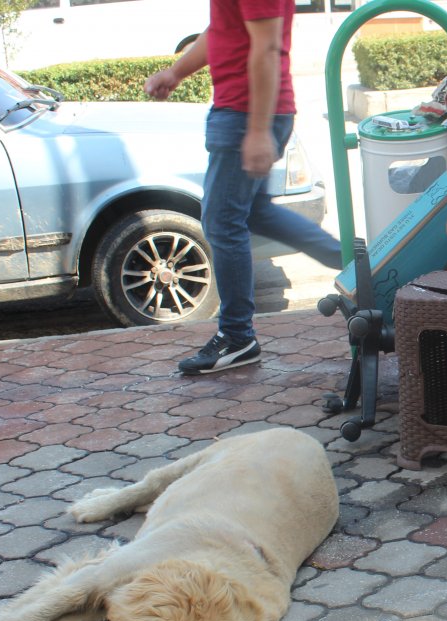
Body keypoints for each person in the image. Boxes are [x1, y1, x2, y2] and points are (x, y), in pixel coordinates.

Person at [145, 0, 341, 375]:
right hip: (239, 113)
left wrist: (256, 129)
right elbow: (221, 29)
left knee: (221, 222)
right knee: (255, 212)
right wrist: (176, 72)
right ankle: (355, 262)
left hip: (244, 115)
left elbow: (266, 47)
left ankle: (238, 338)